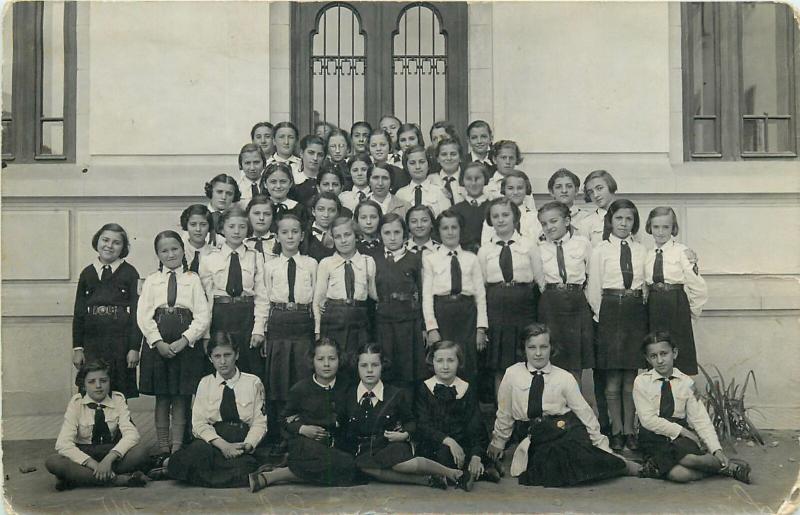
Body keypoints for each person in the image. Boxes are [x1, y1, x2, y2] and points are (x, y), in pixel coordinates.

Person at [488, 323, 640, 487]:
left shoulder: (564, 377)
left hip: (565, 428)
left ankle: (619, 464)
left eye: (544, 347)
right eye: (532, 347)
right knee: (552, 464)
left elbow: (585, 413)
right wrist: (498, 442)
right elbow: (504, 412)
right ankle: (612, 464)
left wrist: (603, 447)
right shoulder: (512, 374)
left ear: (551, 348)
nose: (538, 353)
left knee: (573, 453)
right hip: (535, 435)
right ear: (523, 349)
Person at [343, 343, 466, 490]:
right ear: (357, 367)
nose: (369, 370)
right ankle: (428, 480)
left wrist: (405, 435)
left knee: (399, 464)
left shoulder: (395, 394)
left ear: (383, 366)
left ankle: (452, 473)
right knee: (365, 467)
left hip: (389, 444)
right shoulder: (349, 395)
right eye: (364, 365)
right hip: (364, 448)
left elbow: (411, 421)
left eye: (375, 365)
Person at [634, 332, 751, 483]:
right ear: (647, 358)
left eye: (664, 354)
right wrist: (682, 431)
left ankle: (726, 465)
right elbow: (647, 420)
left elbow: (700, 418)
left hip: (681, 440)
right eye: (653, 356)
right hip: (654, 437)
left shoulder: (686, 382)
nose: (660, 360)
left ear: (674, 353)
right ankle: (723, 468)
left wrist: (716, 449)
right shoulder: (641, 382)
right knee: (678, 475)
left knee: (689, 459)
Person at [248, 337, 360, 491]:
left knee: (348, 465)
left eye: (332, 359)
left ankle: (279, 474)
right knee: (340, 464)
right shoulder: (301, 389)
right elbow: (284, 419)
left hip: (335, 444)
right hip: (305, 444)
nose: (326, 364)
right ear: (312, 361)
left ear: (339, 360)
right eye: (320, 359)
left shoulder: (347, 386)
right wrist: (303, 429)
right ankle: (283, 470)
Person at [137, 231, 210, 458]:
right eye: (164, 250)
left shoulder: (192, 279)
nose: (170, 254)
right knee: (163, 396)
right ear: (158, 254)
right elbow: (143, 315)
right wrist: (156, 341)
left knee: (181, 396)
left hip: (184, 345)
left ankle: (177, 447)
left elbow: (202, 315)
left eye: (175, 249)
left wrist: (186, 340)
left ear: (182, 250)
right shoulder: (152, 280)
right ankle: (162, 446)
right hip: (158, 344)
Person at [162, 332, 267, 488]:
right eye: (217, 356)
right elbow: (199, 424)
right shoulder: (205, 383)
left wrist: (247, 445)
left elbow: (259, 423)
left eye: (228, 355)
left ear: (237, 355)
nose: (223, 362)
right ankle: (192, 469)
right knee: (198, 452)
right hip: (213, 442)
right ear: (210, 358)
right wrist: (223, 446)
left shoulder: (253, 382)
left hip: (239, 442)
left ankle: (182, 472)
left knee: (246, 466)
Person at [586, 199, 648, 452]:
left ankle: (630, 429)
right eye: (619, 218)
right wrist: (603, 319)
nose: (624, 224)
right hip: (610, 311)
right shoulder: (600, 250)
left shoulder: (642, 250)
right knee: (611, 378)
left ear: (635, 223)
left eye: (629, 219)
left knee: (630, 378)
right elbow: (593, 289)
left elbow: (646, 281)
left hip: (634, 311)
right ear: (610, 220)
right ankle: (616, 430)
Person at [45, 359, 149, 490]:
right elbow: (63, 443)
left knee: (141, 452)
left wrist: (109, 459)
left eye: (103, 381)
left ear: (110, 382)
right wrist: (93, 464)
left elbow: (132, 435)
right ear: (84, 385)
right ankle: (118, 479)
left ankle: (80, 479)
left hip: (111, 453)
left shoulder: (118, 399)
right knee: (54, 462)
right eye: (91, 382)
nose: (98, 386)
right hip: (85, 454)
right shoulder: (76, 403)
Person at [478, 198, 545, 393]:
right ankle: (503, 417)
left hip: (524, 307)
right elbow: (481, 288)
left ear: (515, 217)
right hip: (497, 308)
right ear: (490, 220)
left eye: (505, 215)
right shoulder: (485, 250)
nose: (500, 220)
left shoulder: (528, 245)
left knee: (526, 362)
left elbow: (540, 282)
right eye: (495, 216)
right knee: (501, 366)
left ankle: (526, 414)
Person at [262, 214, 317, 449]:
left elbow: (316, 299)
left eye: (295, 231)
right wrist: (262, 331)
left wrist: (316, 331)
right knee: (279, 381)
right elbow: (264, 299)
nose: (290, 236)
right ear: (277, 236)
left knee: (302, 377)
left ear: (302, 235)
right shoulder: (270, 265)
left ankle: (301, 434)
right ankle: (282, 435)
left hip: (303, 322)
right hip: (279, 323)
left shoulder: (311, 264)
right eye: (285, 232)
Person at [415, 340, 500, 491]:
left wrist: (475, 455)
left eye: (451, 360)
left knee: (474, 450)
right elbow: (423, 425)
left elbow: (475, 424)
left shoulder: (466, 387)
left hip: (462, 441)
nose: (445, 366)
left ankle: (479, 466)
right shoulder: (424, 388)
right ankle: (470, 474)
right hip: (436, 441)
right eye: (440, 361)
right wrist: (448, 441)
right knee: (442, 455)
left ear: (459, 362)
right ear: (432, 362)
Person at [72, 223, 141, 399]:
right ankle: (92, 423)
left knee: (118, 388)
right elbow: (79, 313)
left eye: (116, 242)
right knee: (94, 383)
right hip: (93, 341)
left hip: (120, 341)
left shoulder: (130, 273)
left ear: (123, 248)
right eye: (105, 240)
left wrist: (134, 347)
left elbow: (136, 314)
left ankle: (119, 424)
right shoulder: (87, 273)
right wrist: (78, 348)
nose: (109, 246)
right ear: (97, 241)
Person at [199, 206, 268, 376]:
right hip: (220, 316)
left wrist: (259, 329)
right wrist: (206, 333)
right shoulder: (209, 258)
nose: (237, 231)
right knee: (222, 365)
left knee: (248, 367)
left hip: (246, 316)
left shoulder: (255, 256)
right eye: (231, 227)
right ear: (222, 228)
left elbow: (261, 296)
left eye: (242, 227)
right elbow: (205, 299)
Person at [423, 209, 487, 383]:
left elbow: (480, 296)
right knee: (444, 358)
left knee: (467, 360)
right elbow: (427, 296)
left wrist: (481, 328)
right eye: (445, 228)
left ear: (461, 230)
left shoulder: (471, 258)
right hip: (442, 312)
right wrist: (431, 328)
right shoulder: (431, 259)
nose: (450, 232)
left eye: (454, 227)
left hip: (467, 314)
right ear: (438, 231)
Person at [644, 207, 708, 375]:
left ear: (673, 228)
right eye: (656, 227)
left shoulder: (682, 252)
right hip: (654, 306)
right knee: (657, 350)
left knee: (677, 355)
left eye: (666, 227)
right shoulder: (647, 254)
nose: (660, 232)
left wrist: (690, 313)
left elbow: (698, 287)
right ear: (650, 227)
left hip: (676, 305)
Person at [537, 201, 594, 383]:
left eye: (553, 221)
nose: (549, 227)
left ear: (567, 221)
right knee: (553, 354)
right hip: (551, 302)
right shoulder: (539, 248)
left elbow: (591, 275)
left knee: (575, 357)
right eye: (544, 224)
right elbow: (538, 279)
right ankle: (555, 407)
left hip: (576, 301)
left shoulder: (582, 243)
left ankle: (574, 406)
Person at [373, 213, 425, 390]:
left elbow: (422, 292)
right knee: (386, 366)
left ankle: (408, 412)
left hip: (408, 323)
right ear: (380, 235)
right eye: (387, 233)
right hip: (383, 323)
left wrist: (423, 325)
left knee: (407, 368)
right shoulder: (374, 259)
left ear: (405, 234)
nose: (392, 237)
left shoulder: (414, 259)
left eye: (397, 232)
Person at [314, 217, 378, 359]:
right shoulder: (326, 263)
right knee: (336, 359)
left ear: (356, 236)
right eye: (338, 237)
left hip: (360, 320)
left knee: (358, 360)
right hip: (334, 320)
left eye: (347, 235)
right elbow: (318, 300)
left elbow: (373, 293)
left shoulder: (367, 261)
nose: (343, 240)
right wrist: (318, 330)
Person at [481, 170, 541, 244]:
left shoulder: (535, 217)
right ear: (504, 190)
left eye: (520, 188)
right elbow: (485, 244)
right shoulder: (494, 216)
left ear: (526, 190)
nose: (515, 192)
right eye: (510, 188)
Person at [396, 145, 451, 217]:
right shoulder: (400, 194)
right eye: (412, 163)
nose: (418, 167)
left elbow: (447, 220)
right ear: (406, 166)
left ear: (428, 165)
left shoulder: (439, 192)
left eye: (422, 162)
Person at [452, 162, 490, 253]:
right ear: (462, 181)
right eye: (469, 179)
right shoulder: (455, 210)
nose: (473, 183)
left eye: (477, 178)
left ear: (485, 179)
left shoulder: (493, 208)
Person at [260, 161, 308, 231]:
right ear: (265, 184)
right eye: (273, 182)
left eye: (283, 181)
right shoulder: (260, 206)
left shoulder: (300, 209)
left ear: (290, 183)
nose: (278, 186)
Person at [204, 174, 241, 247]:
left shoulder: (238, 220)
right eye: (219, 192)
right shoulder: (198, 215)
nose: (224, 197)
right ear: (211, 191)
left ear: (234, 196)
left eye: (229, 194)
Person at [290, 134, 327, 207]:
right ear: (301, 153)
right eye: (311, 153)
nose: (315, 158)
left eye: (320, 155)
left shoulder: (327, 180)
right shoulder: (293, 179)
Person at [303, 192, 340, 262]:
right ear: (313, 211)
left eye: (331, 210)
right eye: (321, 209)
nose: (326, 215)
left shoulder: (342, 235)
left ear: (337, 213)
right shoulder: (303, 234)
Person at [429, 138, 465, 205]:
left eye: (453, 154)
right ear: (438, 159)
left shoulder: (469, 179)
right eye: (444, 154)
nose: (449, 158)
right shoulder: (431, 180)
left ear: (460, 158)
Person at [180, 204, 215, 273]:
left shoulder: (215, 254)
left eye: (203, 225)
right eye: (193, 224)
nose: (198, 229)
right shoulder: (178, 252)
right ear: (186, 225)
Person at [244, 195, 277, 261]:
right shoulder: (242, 243)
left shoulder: (279, 242)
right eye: (256, 213)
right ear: (248, 215)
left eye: (267, 214)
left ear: (273, 217)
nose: (261, 218)